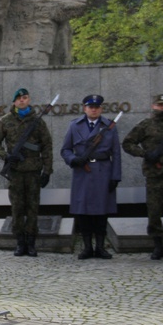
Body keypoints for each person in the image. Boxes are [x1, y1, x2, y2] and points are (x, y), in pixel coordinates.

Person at [122, 95, 163, 261]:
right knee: (154, 211)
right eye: (160, 105)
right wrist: (145, 154)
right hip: (155, 175)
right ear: (153, 106)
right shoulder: (146, 125)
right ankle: (158, 246)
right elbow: (128, 143)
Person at [0, 88, 53, 257]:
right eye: (19, 98)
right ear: (14, 102)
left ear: (29, 99)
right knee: (17, 208)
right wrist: (6, 156)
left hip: (33, 172)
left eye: (25, 98)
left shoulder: (38, 122)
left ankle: (31, 243)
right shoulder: (5, 121)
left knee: (32, 208)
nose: (22, 101)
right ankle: (19, 242)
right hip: (15, 172)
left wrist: (47, 171)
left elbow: (46, 146)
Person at [60, 94, 122, 259]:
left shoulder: (109, 127)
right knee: (83, 211)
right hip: (82, 172)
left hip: (103, 172)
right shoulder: (74, 126)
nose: (93, 110)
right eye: (90, 107)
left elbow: (116, 153)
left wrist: (115, 176)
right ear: (84, 108)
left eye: (96, 107)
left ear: (101, 109)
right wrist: (74, 159)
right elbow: (65, 149)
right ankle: (87, 248)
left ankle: (100, 247)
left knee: (102, 212)